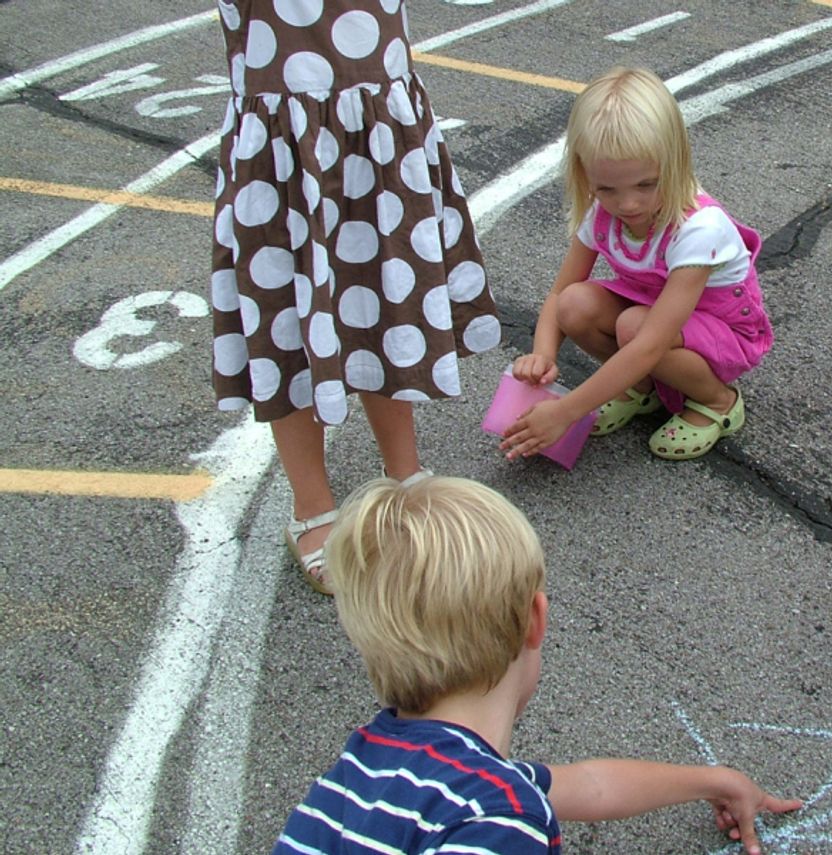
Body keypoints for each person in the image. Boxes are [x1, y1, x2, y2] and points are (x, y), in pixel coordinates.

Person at [272, 475, 801, 854]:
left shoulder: (371, 763)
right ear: (534, 620)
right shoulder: (500, 821)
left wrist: (714, 781)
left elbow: (588, 785)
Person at [209, 1, 499, 594]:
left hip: (379, 126)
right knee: (284, 310)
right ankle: (311, 503)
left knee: (386, 298)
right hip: (280, 134)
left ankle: (405, 475)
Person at [501, 67, 773, 462]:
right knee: (574, 305)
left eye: (646, 184)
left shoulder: (698, 227)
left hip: (724, 332)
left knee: (634, 327)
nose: (628, 204)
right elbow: (560, 292)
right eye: (607, 188)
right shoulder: (601, 212)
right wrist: (544, 354)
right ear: (585, 173)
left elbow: (650, 342)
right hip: (655, 320)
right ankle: (644, 387)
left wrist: (565, 410)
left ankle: (717, 401)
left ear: (675, 161)